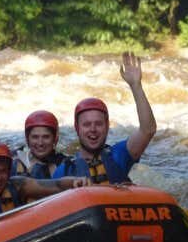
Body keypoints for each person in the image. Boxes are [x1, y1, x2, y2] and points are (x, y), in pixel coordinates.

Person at [52, 51, 157, 183]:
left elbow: (148, 130)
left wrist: (136, 86)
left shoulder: (119, 155)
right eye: (86, 124)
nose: (93, 129)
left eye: (98, 124)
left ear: (107, 126)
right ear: (77, 128)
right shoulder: (64, 171)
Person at [11, 110, 67, 178]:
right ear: (27, 139)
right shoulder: (14, 162)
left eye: (46, 137)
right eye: (35, 137)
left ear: (55, 139)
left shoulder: (66, 164)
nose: (40, 143)